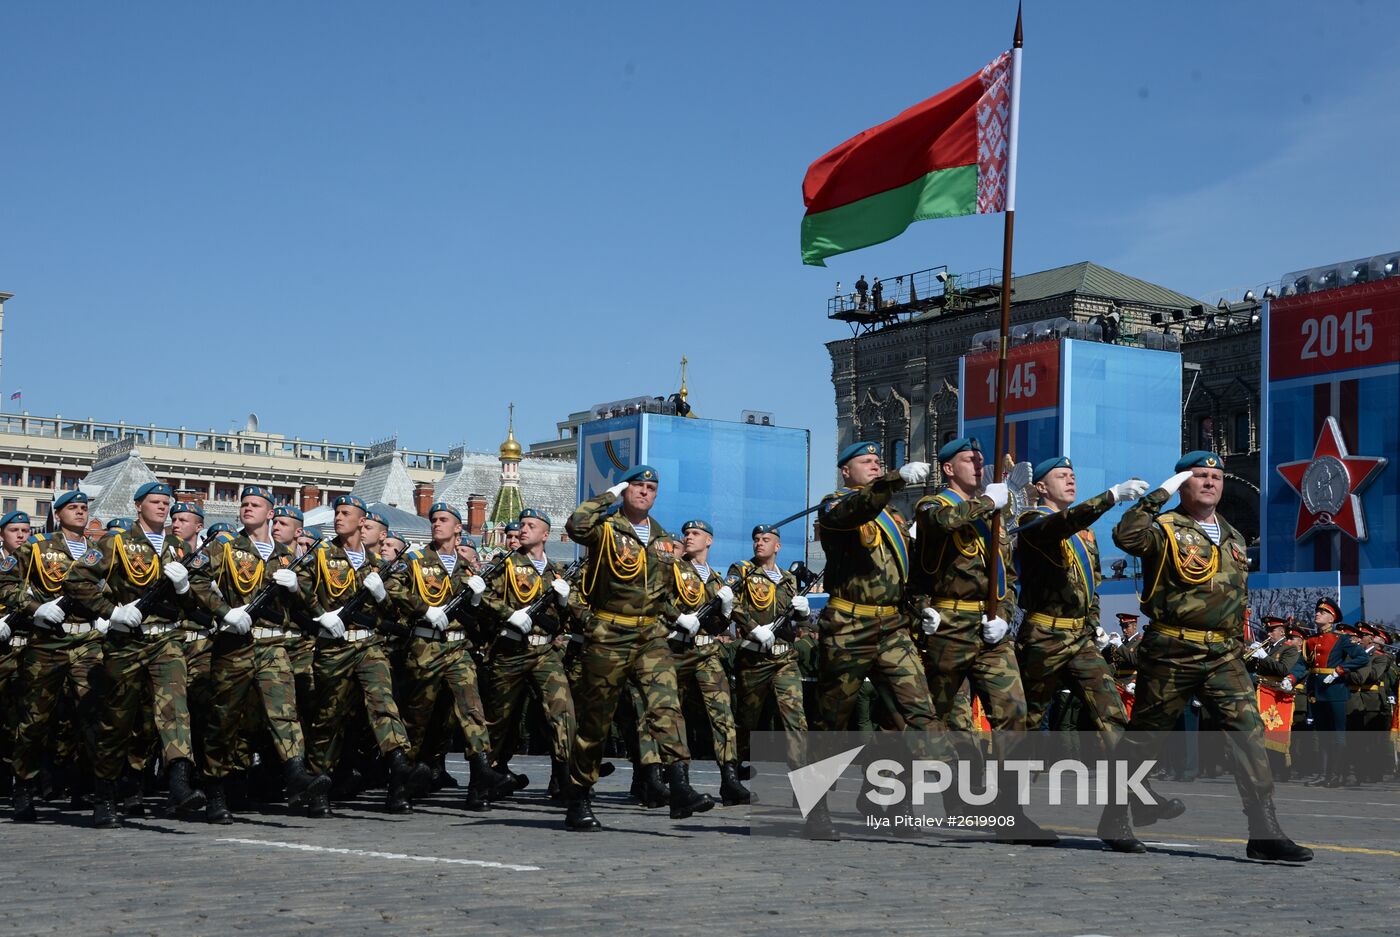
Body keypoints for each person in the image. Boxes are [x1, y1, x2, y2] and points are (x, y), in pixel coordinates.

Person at [1099, 451, 1310, 861]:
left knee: (1249, 734)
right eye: (1199, 476)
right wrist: (1159, 494)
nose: (1210, 482)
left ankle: (1264, 831)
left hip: (1223, 654)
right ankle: (1115, 816)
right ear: (1183, 483)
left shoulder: (1232, 534)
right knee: (1145, 738)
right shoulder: (1164, 527)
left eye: (1216, 476)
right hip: (1174, 649)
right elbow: (1126, 537)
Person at [562, 465, 714, 831]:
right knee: (595, 721)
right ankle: (578, 797)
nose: (644, 492)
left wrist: (679, 619)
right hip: (609, 634)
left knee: (667, 707)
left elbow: (661, 593)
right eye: (637, 486)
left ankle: (679, 787)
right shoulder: (606, 528)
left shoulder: (664, 540)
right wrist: (609, 495)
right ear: (625, 489)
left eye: (650, 487)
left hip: (650, 637)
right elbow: (575, 525)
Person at [185, 485, 330, 823]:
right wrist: (224, 612)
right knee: (224, 721)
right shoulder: (225, 548)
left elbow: (310, 603)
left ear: (270, 513)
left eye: (256, 505)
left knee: (284, 711)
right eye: (244, 504)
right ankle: (217, 791)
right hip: (234, 645)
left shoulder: (285, 555)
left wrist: (296, 586)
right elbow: (197, 579)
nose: (248, 509)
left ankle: (295, 772)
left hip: (273, 645)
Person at [65, 482, 205, 826]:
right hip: (126, 643)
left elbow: (192, 603)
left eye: (166, 503)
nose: (162, 507)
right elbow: (76, 580)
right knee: (117, 723)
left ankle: (179, 783)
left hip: (166, 640)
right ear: (138, 506)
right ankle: (105, 795)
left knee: (176, 709)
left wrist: (185, 588)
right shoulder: (115, 542)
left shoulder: (176, 546)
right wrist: (110, 611)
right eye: (154, 502)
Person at [301, 494, 431, 817]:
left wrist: (383, 594)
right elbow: (301, 591)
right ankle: (319, 783)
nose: (338, 517)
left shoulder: (378, 566)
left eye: (345, 513)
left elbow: (395, 615)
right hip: (334, 646)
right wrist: (321, 614)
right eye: (336, 512)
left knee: (383, 701)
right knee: (328, 718)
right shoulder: (320, 554)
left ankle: (398, 762)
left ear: (362, 522)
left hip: (369, 644)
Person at [1014, 456, 1145, 742]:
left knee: (1110, 709)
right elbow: (1062, 523)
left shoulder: (1084, 534)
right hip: (1044, 635)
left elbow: (1091, 586)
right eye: (1061, 476)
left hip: (1080, 636)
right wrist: (1110, 496)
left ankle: (1134, 783)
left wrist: (1093, 622)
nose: (1071, 479)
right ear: (1042, 487)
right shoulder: (1032, 522)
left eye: (1072, 475)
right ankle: (1010, 782)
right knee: (1029, 718)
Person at [385, 502, 505, 811]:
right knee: (418, 719)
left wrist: (478, 599)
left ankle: (480, 775)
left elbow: (481, 617)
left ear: (458, 528)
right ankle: (401, 785)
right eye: (434, 519)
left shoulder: (466, 568)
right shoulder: (413, 559)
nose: (437, 524)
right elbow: (393, 588)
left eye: (444, 520)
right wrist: (425, 610)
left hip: (457, 648)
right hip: (425, 648)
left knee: (472, 709)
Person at [0, 490, 102, 822]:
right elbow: (7, 585)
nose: (80, 512)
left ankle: (95, 790)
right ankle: (24, 788)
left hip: (87, 639)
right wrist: (35, 607)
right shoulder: (36, 548)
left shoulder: (97, 552)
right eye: (73, 508)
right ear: (58, 514)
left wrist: (107, 612)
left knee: (93, 716)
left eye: (84, 508)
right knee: (35, 720)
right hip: (47, 643)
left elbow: (115, 586)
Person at [479, 508, 578, 800]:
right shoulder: (505, 562)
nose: (523, 529)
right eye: (522, 524)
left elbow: (566, 618)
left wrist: (564, 601)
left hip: (545, 650)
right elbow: (482, 595)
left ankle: (564, 779)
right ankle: (487, 777)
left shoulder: (556, 571)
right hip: (511, 651)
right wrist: (510, 614)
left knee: (562, 712)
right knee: (500, 720)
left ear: (545, 534)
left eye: (531, 525)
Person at [664, 519, 747, 806]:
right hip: (674, 650)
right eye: (686, 533)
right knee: (670, 716)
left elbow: (718, 625)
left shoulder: (716, 579)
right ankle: (676, 781)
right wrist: (677, 618)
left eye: (695, 534)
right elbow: (656, 599)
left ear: (708, 541)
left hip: (706, 651)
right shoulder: (673, 568)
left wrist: (725, 608)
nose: (688, 537)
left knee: (723, 714)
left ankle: (730, 780)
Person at [728, 524, 811, 776]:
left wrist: (804, 612)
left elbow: (798, 622)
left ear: (778, 546)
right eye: (756, 539)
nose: (759, 543)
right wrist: (753, 628)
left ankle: (802, 774)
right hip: (754, 657)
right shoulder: (741, 570)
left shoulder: (788, 579)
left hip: (785, 657)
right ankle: (733, 765)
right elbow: (730, 602)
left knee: (795, 717)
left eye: (765, 539)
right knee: (746, 719)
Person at [1301, 596, 1367, 788]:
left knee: (1338, 735)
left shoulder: (1341, 639)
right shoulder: (1311, 640)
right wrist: (1291, 678)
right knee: (1322, 735)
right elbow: (1302, 664)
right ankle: (1323, 774)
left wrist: (1340, 670)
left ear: (1331, 618)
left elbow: (1361, 658)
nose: (1317, 614)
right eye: (1317, 611)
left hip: (1336, 691)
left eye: (1322, 612)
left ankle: (1337, 775)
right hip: (1318, 691)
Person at [0, 510, 34, 801]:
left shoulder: (39, 563)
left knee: (23, 715)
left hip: (30, 644)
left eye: (26, 530)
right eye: (15, 530)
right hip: (2, 647)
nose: (22, 535)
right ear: (2, 534)